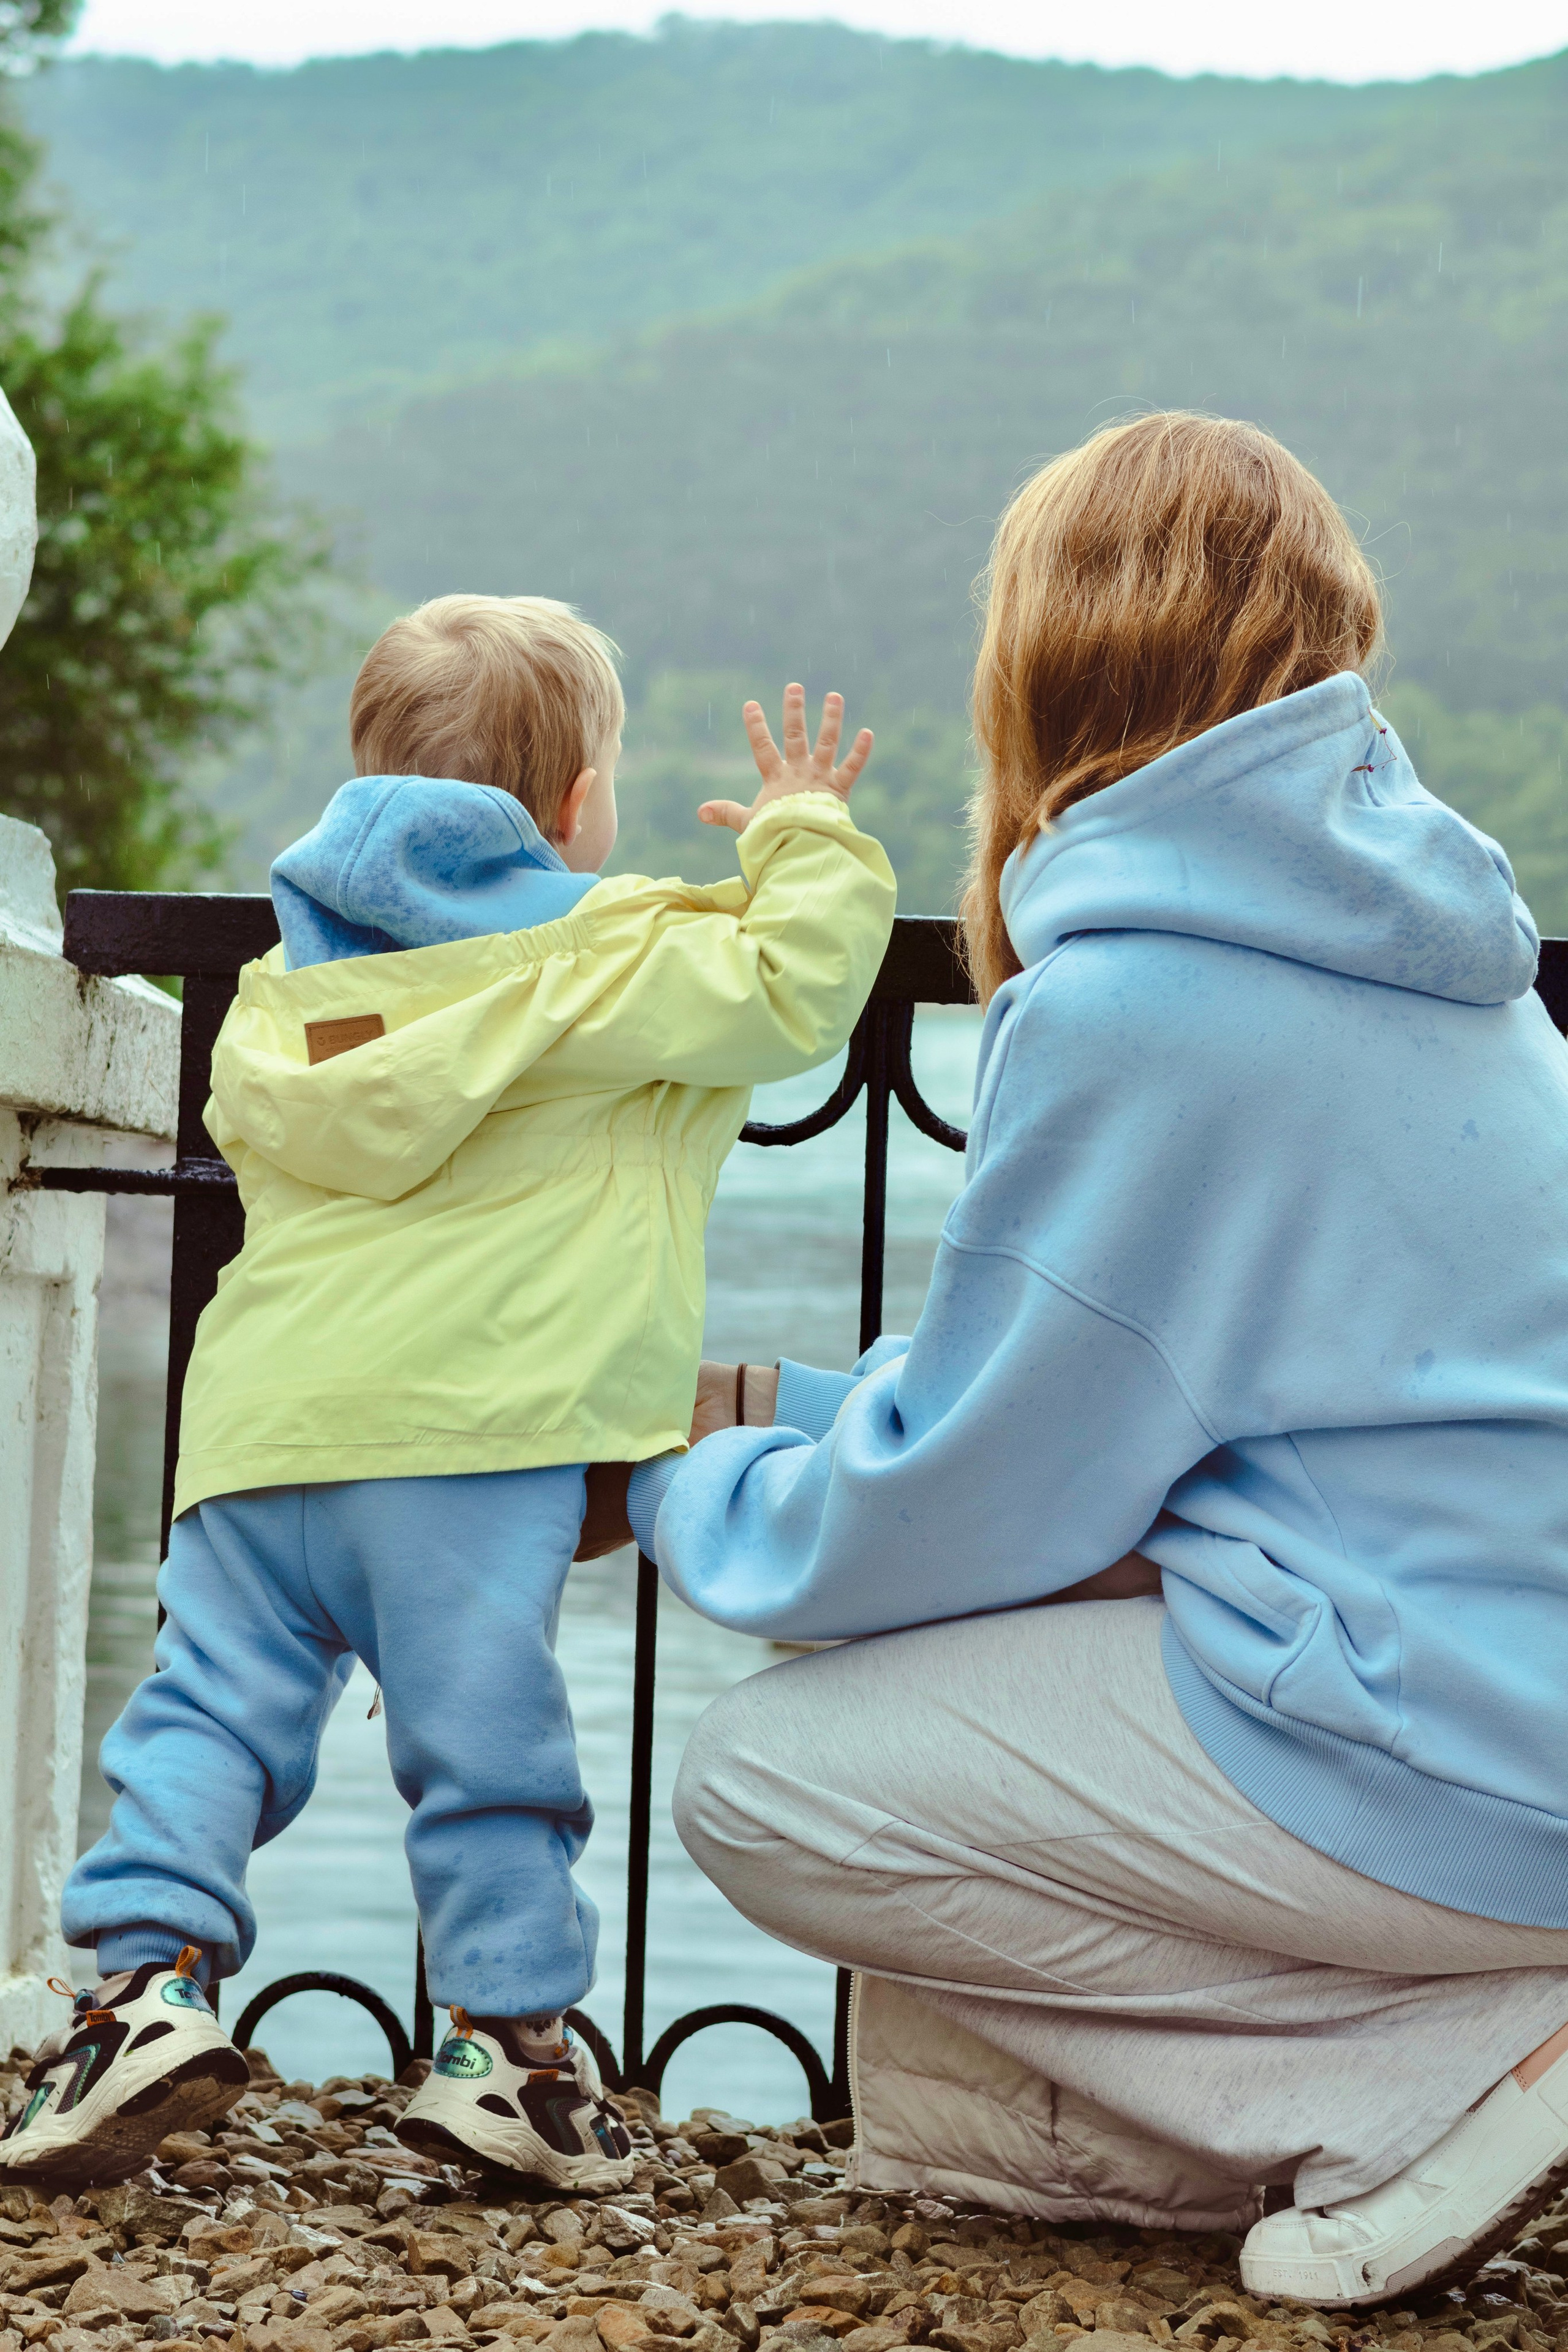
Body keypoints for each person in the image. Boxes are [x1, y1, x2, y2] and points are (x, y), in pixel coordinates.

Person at [613, 415, 1568, 2310]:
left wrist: (673, 1481)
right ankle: (1368, 2091)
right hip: (1512, 1710)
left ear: (1045, 658)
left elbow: (962, 1510)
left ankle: (1436, 2080)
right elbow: (1153, 1416)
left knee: (768, 1783)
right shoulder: (1448, 978)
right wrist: (802, 1417)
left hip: (1467, 1765)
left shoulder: (1144, 1005)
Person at [1, 594, 894, 2190]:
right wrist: (802, 826)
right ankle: (507, 2055)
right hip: (468, 1445)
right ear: (570, 805)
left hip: (260, 1436)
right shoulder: (617, 953)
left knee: (205, 1713)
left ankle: (138, 1989)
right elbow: (798, 983)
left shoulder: (285, 998)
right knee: (484, 1750)